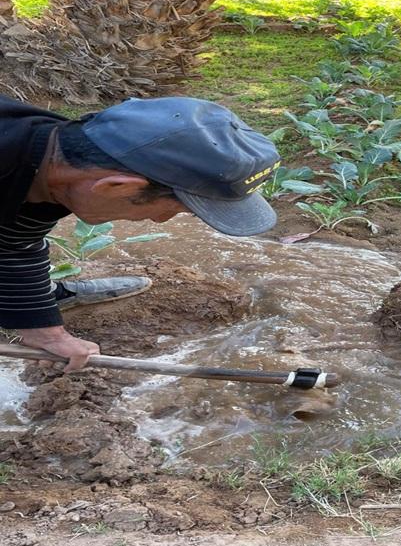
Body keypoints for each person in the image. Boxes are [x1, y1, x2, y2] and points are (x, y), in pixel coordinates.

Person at [1, 95, 281, 371]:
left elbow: (14, 241)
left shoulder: (51, 163)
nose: (160, 220)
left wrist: (43, 330)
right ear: (116, 187)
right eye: (171, 211)